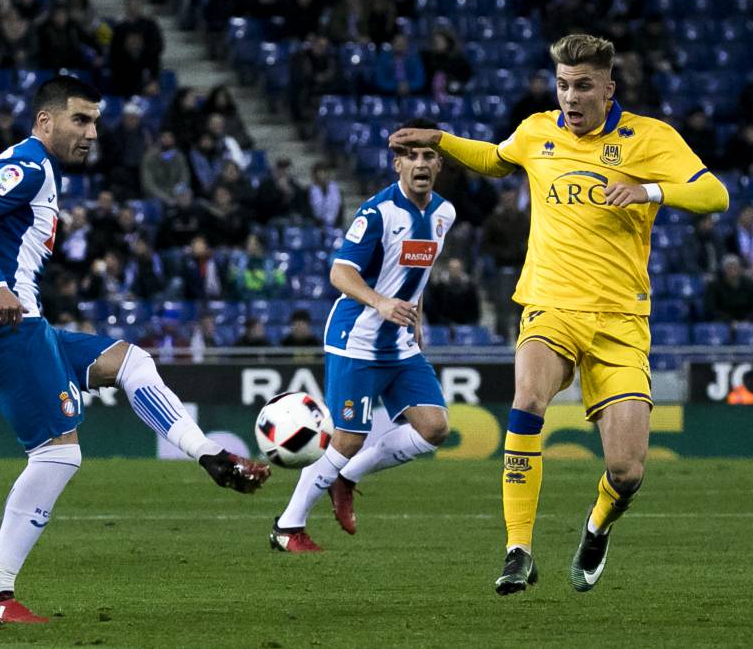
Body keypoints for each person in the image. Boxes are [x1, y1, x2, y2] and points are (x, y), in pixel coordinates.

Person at [389, 34, 729, 595]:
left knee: (627, 472)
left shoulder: (649, 138)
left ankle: (597, 526)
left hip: (620, 322)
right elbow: (497, 161)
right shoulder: (537, 130)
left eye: (583, 86)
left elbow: (713, 195)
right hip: (549, 304)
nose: (570, 97)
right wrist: (442, 141)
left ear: (608, 88)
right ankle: (518, 550)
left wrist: (648, 191)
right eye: (563, 85)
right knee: (526, 399)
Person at [0, 76, 269, 624]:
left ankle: (208, 452)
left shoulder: (40, 169)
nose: (91, 132)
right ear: (45, 121)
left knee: (132, 362)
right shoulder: (31, 163)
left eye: (95, 121)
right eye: (79, 120)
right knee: (59, 454)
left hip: (22, 324)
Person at [271, 118, 455, 553]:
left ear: (440, 164)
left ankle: (347, 478)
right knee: (348, 439)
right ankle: (287, 527)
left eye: (429, 155)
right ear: (397, 164)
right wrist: (381, 303)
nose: (420, 163)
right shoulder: (377, 213)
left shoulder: (444, 214)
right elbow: (339, 272)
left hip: (401, 344)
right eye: (411, 155)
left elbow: (417, 276)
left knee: (435, 427)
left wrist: (417, 320)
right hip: (357, 338)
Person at [704, 254, 753, 322]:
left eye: (735, 268)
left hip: (746, 321)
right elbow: (711, 310)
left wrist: (747, 320)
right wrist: (729, 321)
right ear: (723, 270)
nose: (733, 272)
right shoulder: (713, 285)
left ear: (740, 269)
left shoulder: (749, 283)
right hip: (723, 322)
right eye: (729, 268)